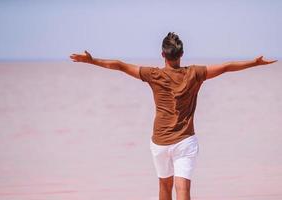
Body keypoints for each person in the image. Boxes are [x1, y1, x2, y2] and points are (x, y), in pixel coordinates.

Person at [70, 32, 277, 200]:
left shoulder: (153, 74)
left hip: (159, 142)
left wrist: (92, 61)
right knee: (183, 190)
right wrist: (254, 63)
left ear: (163, 54)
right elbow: (225, 67)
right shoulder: (194, 73)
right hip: (185, 141)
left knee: (164, 184)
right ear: (182, 54)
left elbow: (120, 65)